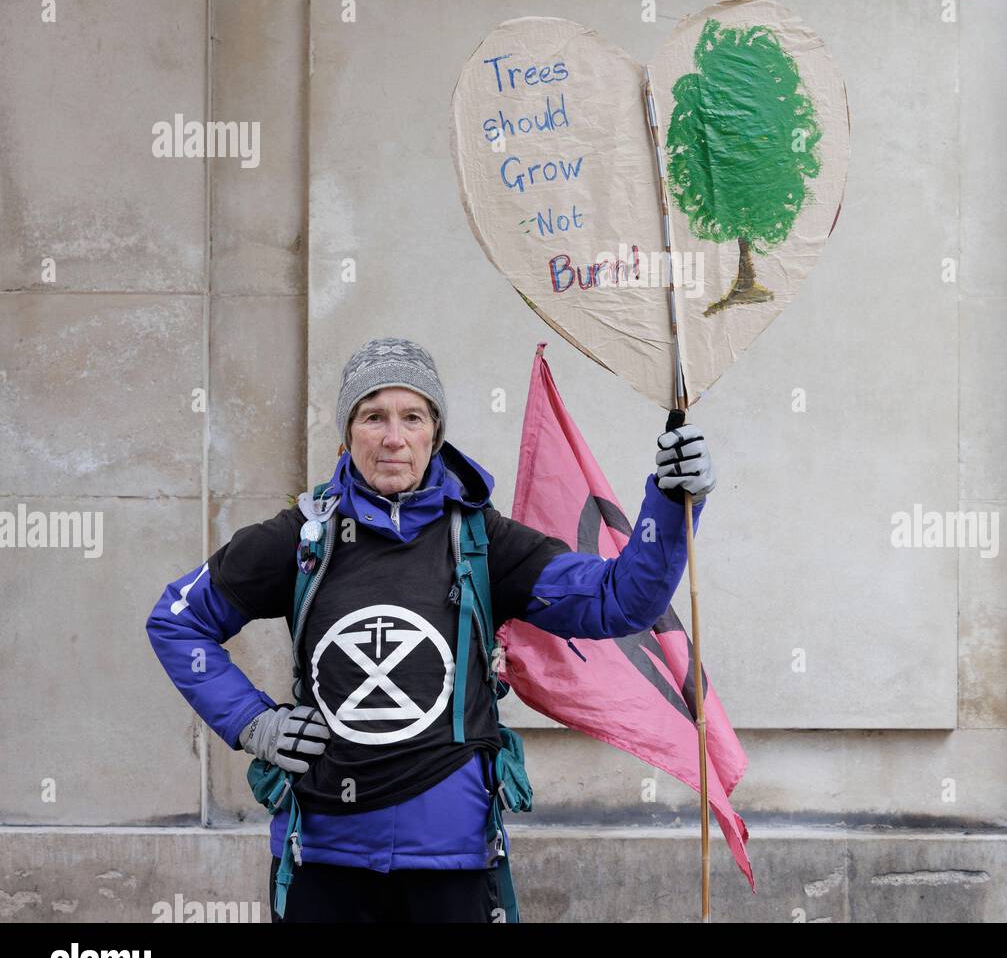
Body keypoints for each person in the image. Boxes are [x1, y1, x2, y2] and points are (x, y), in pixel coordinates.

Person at [145, 337, 714, 923]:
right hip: (322, 856)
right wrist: (252, 722)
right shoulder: (301, 537)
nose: (393, 438)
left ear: (434, 434)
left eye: (412, 417)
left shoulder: (485, 541)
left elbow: (619, 601)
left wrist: (670, 504)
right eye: (373, 417)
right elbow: (177, 621)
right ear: (347, 433)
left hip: (454, 860)